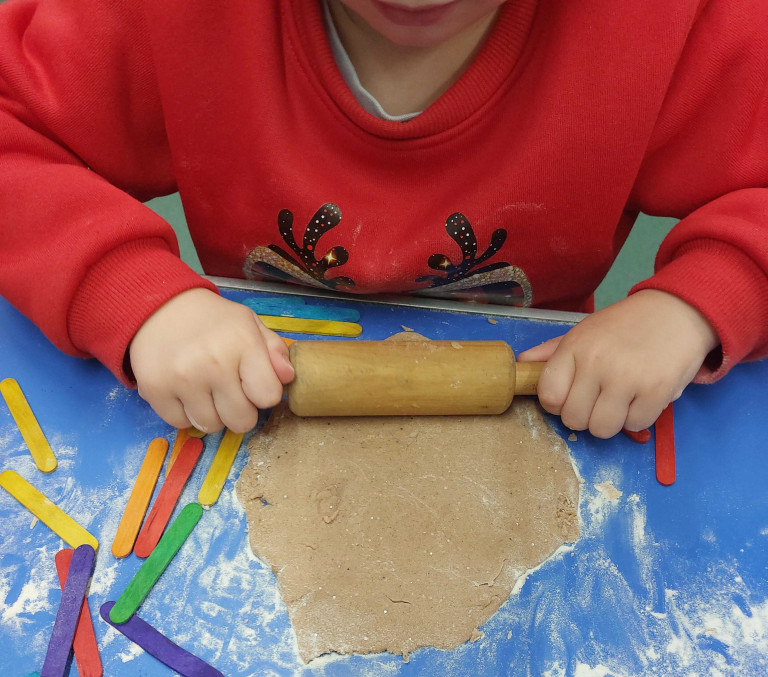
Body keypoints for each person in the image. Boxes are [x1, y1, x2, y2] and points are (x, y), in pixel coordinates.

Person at [0, 0, 766, 438]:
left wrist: (695, 306)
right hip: (228, 374)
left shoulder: (670, 22)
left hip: (553, 392)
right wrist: (130, 293)